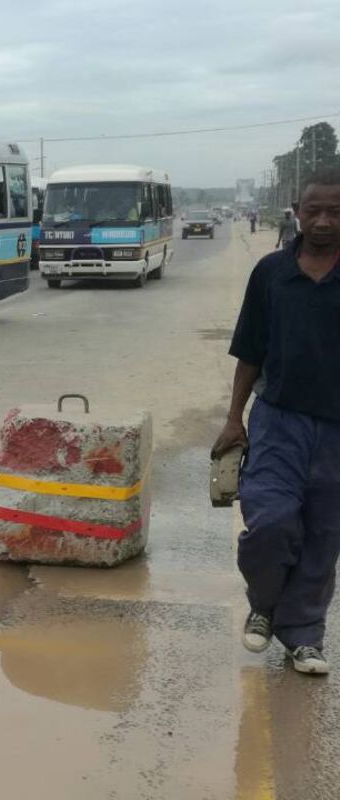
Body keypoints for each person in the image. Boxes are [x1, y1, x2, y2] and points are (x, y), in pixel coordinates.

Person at [213, 167, 340, 675]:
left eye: (336, 211)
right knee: (269, 522)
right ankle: (265, 605)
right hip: (277, 422)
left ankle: (305, 636)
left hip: (336, 432)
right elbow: (250, 351)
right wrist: (233, 419)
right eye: (314, 210)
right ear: (297, 212)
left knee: (322, 536)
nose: (325, 221)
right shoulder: (270, 273)